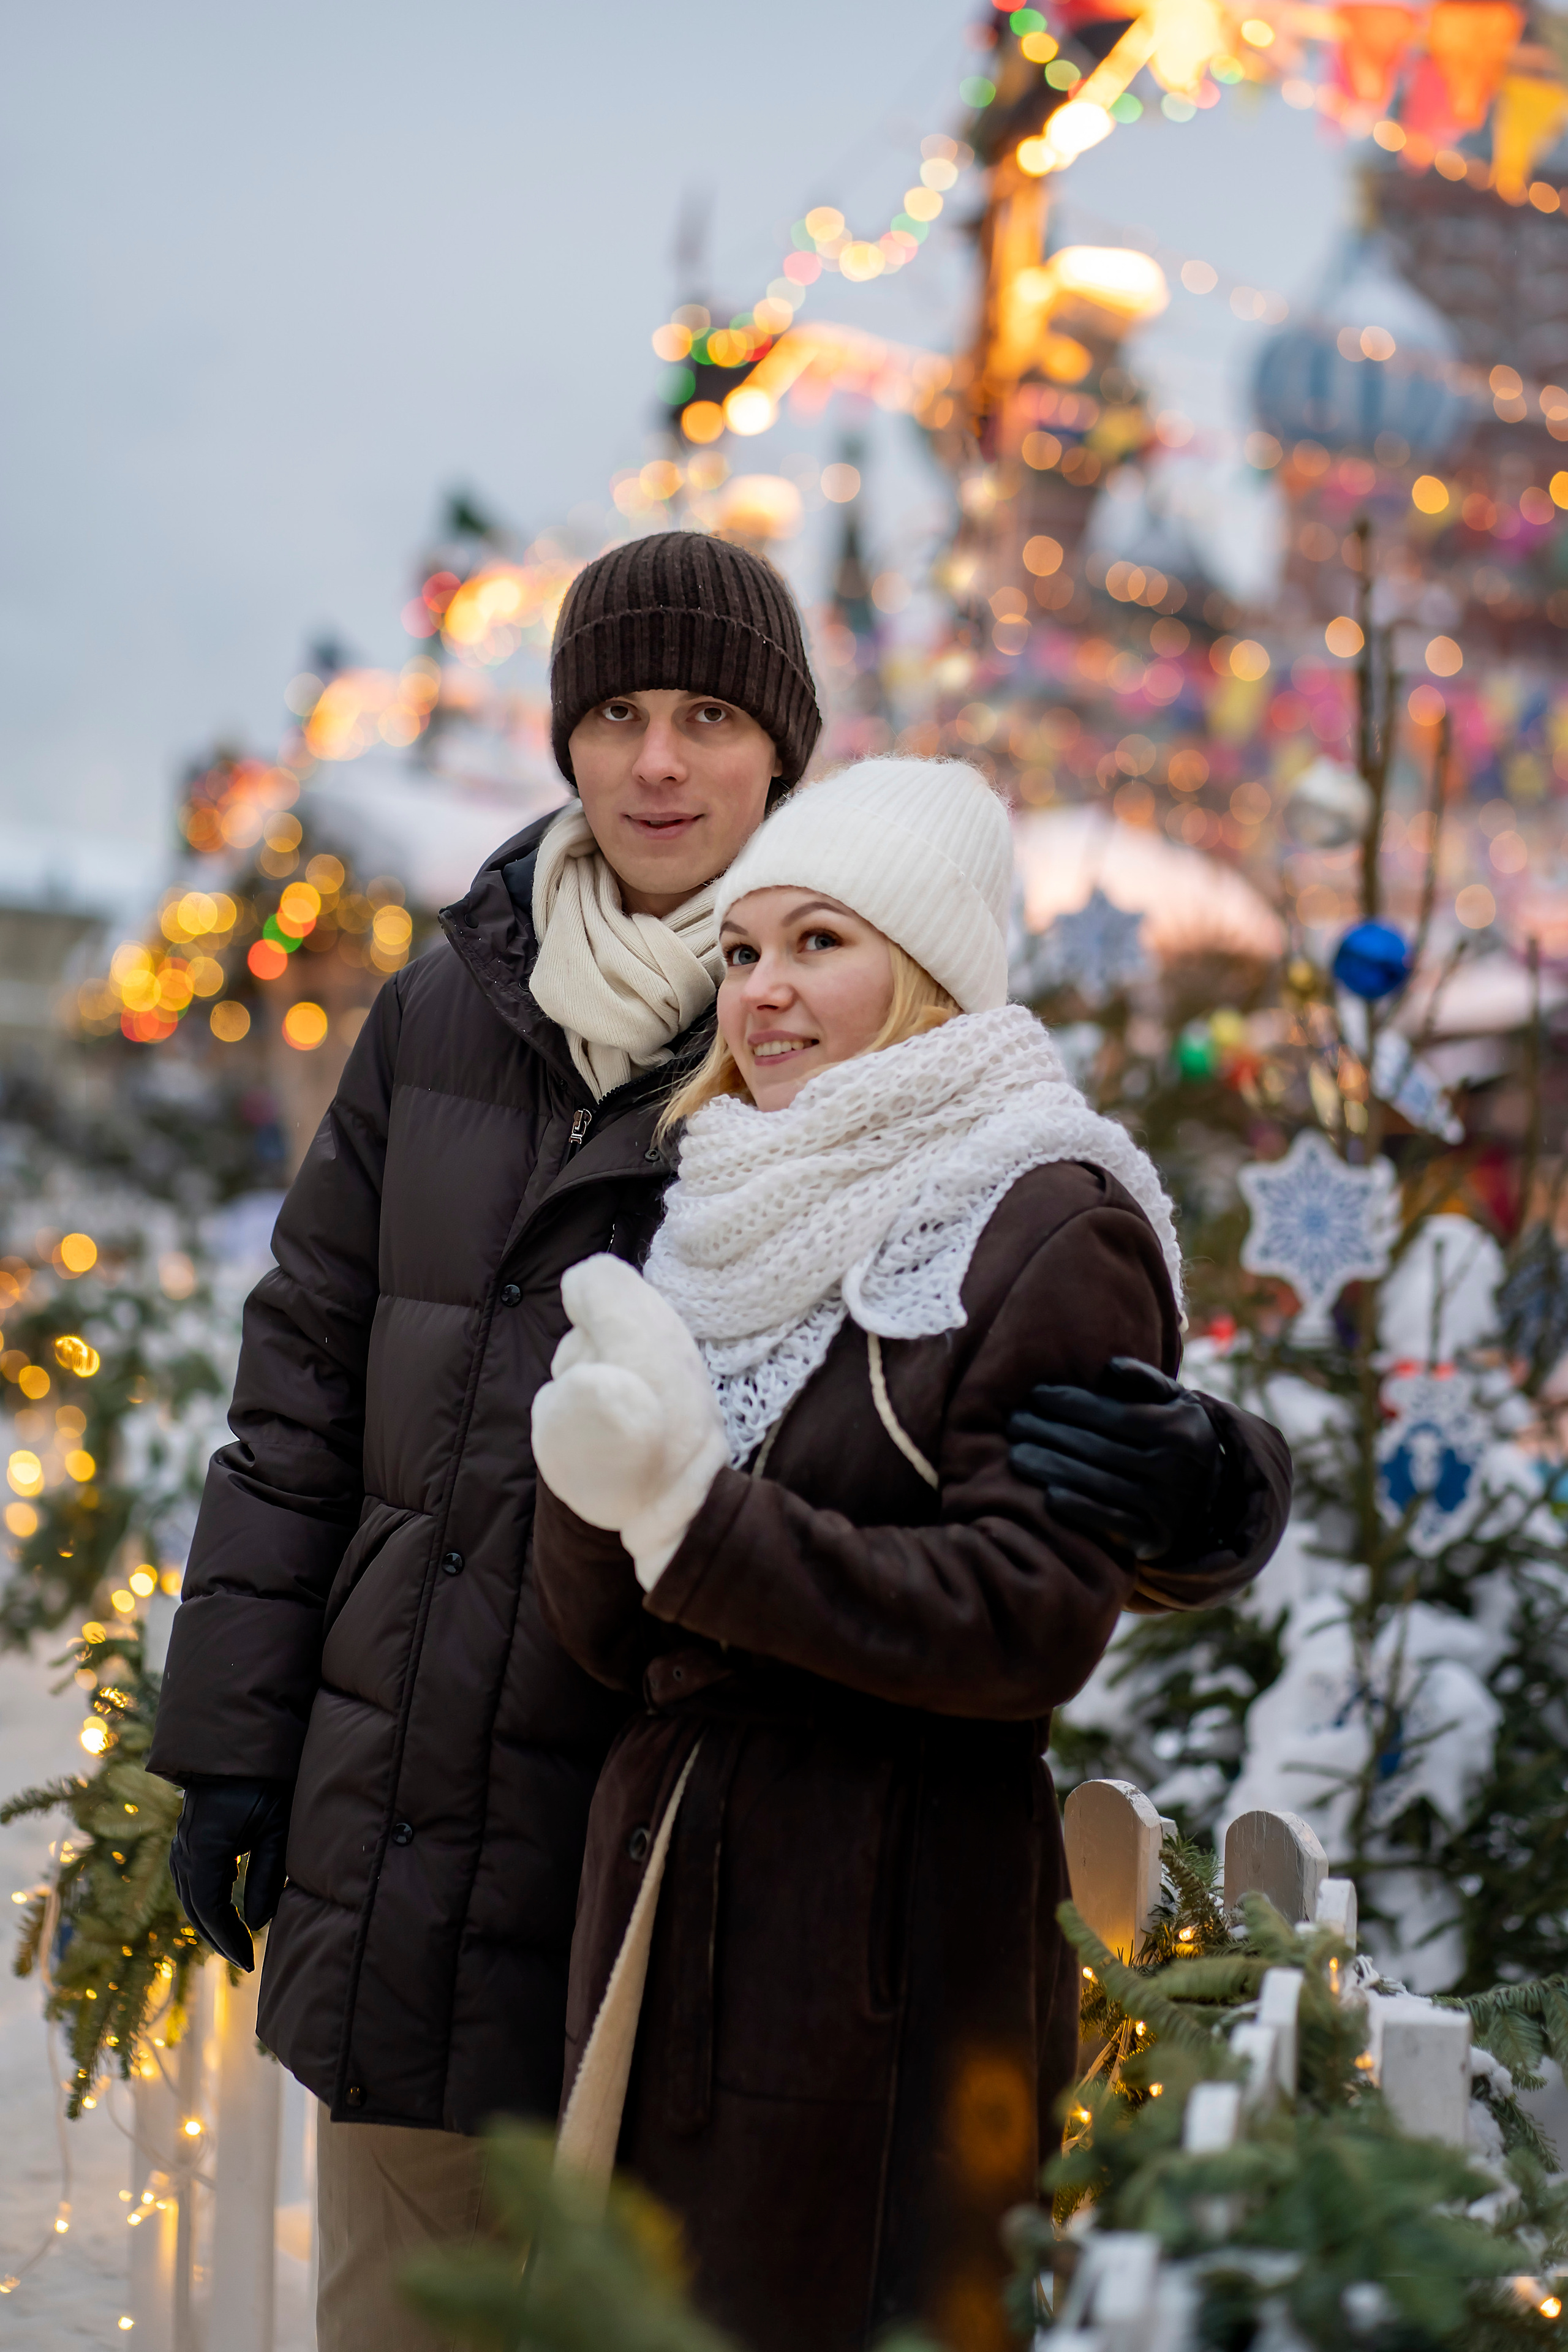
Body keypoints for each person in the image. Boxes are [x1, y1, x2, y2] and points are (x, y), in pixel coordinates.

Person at [145, 538, 1284, 2350]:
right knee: (395, 2308)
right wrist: (227, 1750)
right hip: (420, 1822)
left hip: (690, 1881)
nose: (659, 765)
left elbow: (1030, 1299)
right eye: (615, 715)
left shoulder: (857, 1011)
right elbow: (299, 1390)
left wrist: (1214, 1485)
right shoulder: (446, 1008)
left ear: (787, 754)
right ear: (565, 741)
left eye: (709, 718)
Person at [528, 755, 1289, 2352]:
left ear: (928, 968)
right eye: (742, 953)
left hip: (877, 1928)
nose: (766, 995)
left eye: (821, 944)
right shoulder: (717, 1207)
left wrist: (694, 1514)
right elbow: (623, 1640)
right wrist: (592, 1497)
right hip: (674, 1893)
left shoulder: (1041, 1213)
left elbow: (1022, 1621)